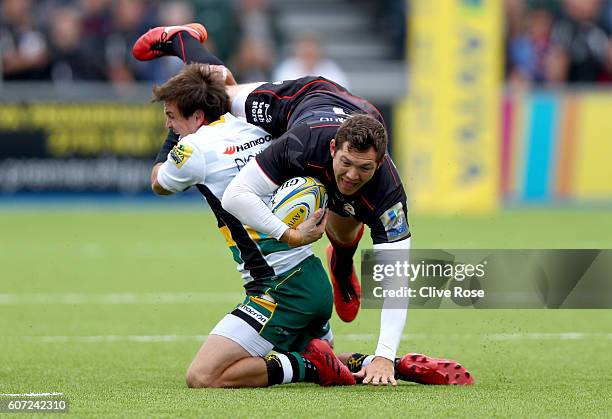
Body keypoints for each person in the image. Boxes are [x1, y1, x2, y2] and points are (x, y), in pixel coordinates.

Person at [134, 24, 473, 386]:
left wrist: (387, 353)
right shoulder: (294, 142)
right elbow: (215, 94)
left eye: (366, 168)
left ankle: (341, 270)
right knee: (224, 91)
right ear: (332, 150)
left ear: (382, 162)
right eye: (347, 163)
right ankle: (364, 361)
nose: (353, 174)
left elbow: (397, 276)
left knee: (203, 376)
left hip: (285, 287)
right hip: (303, 99)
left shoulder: (387, 190)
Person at [149, 62, 355, 388]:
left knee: (203, 376)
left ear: (198, 117)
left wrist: (172, 137)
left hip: (277, 291)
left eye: (171, 115)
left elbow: (158, 182)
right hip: (310, 280)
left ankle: (308, 368)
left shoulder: (193, 148)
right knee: (318, 353)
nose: (168, 123)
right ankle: (379, 364)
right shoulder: (256, 127)